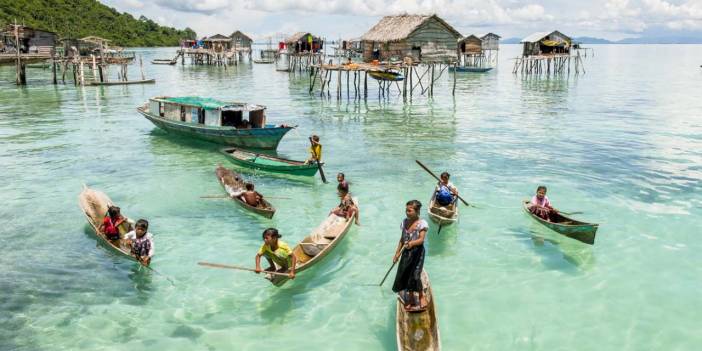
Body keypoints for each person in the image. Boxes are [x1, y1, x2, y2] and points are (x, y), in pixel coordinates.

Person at [392, 200, 429, 312]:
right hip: (406, 253)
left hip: (417, 252)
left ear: (417, 211)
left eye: (410, 210)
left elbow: (421, 240)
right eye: (406, 210)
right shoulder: (404, 222)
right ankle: (411, 297)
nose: (407, 212)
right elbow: (402, 239)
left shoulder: (421, 224)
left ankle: (421, 296)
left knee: (416, 275)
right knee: (406, 274)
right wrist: (397, 254)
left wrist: (411, 244)